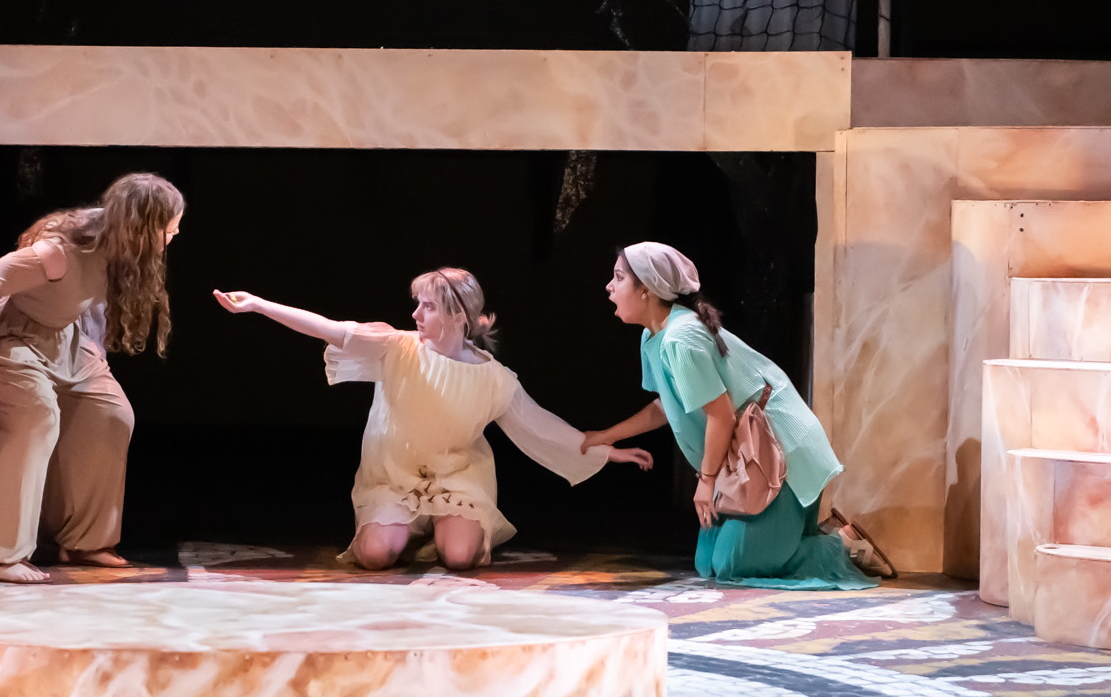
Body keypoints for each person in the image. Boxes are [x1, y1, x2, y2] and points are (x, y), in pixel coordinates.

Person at [214, 267, 651, 570]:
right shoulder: (396, 346)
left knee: (459, 557)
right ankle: (402, 528)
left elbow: (539, 426)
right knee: (376, 556)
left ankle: (439, 528)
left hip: (457, 479)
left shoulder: (494, 378)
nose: (415, 315)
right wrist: (258, 304)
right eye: (418, 304)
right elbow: (328, 327)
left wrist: (606, 450)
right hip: (393, 477)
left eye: (428, 307)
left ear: (458, 316)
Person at [583, 242, 876, 590]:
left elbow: (721, 417)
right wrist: (606, 436)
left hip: (778, 458)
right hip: (744, 464)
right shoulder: (653, 337)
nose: (609, 286)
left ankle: (843, 545)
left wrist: (706, 481)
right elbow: (666, 406)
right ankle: (799, 537)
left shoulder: (680, 338)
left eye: (619, 278)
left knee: (733, 564)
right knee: (707, 563)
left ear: (646, 289)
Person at [0, 172, 185, 583]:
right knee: (36, 417)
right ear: (140, 227)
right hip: (14, 337)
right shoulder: (59, 251)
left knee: (110, 414)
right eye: (168, 229)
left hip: (65, 338)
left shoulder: (119, 244)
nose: (173, 236)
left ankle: (84, 541)